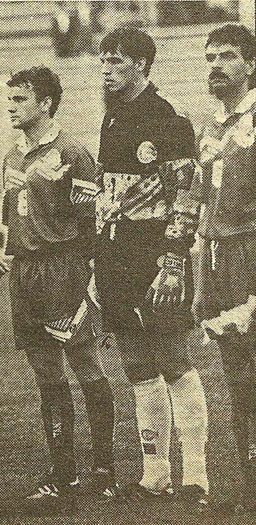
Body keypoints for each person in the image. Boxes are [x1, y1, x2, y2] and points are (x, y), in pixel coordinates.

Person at [0, 67, 115, 515]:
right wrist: (1, 250)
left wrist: (88, 276)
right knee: (46, 375)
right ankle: (63, 474)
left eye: (20, 99)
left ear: (45, 103)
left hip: (64, 270)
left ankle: (104, 471)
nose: (11, 107)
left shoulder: (72, 151)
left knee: (86, 365)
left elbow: (92, 220)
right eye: (10, 99)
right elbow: (10, 216)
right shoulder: (11, 155)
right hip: (25, 274)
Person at [94, 27, 208, 507]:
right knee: (137, 365)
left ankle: (196, 475)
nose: (106, 70)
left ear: (141, 64)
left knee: (174, 360)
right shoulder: (111, 117)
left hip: (156, 257)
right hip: (115, 257)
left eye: (116, 62)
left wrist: (173, 262)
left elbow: (187, 195)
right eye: (103, 61)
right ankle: (155, 474)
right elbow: (108, 193)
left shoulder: (168, 119)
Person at [191, 24, 256, 513]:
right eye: (210, 57)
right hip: (218, 260)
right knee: (236, 377)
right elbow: (202, 204)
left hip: (251, 253)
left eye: (228, 56)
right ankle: (249, 484)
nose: (216, 65)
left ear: (250, 65)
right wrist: (199, 280)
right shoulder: (210, 128)